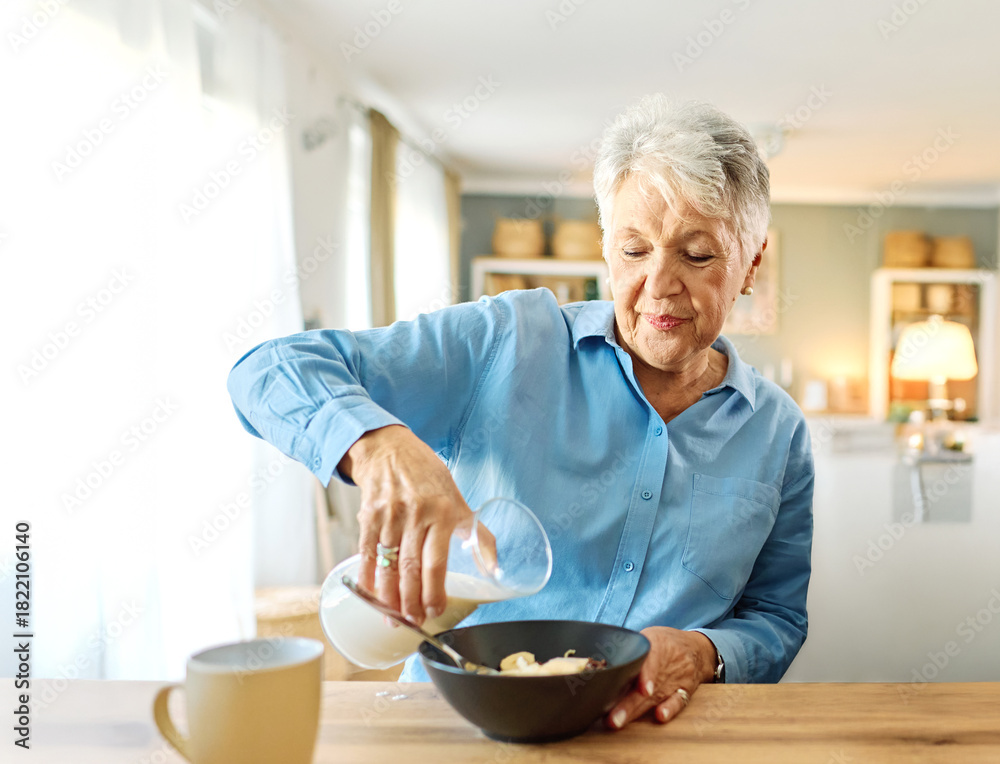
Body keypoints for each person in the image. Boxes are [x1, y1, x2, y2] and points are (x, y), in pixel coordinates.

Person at [227, 95, 813, 730]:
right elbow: (266, 370)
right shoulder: (507, 339)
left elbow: (776, 617)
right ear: (606, 249)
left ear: (751, 265)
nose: (659, 284)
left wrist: (705, 654)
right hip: (462, 730)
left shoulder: (779, 433)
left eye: (697, 254)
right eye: (634, 250)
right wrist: (380, 446)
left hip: (648, 737)